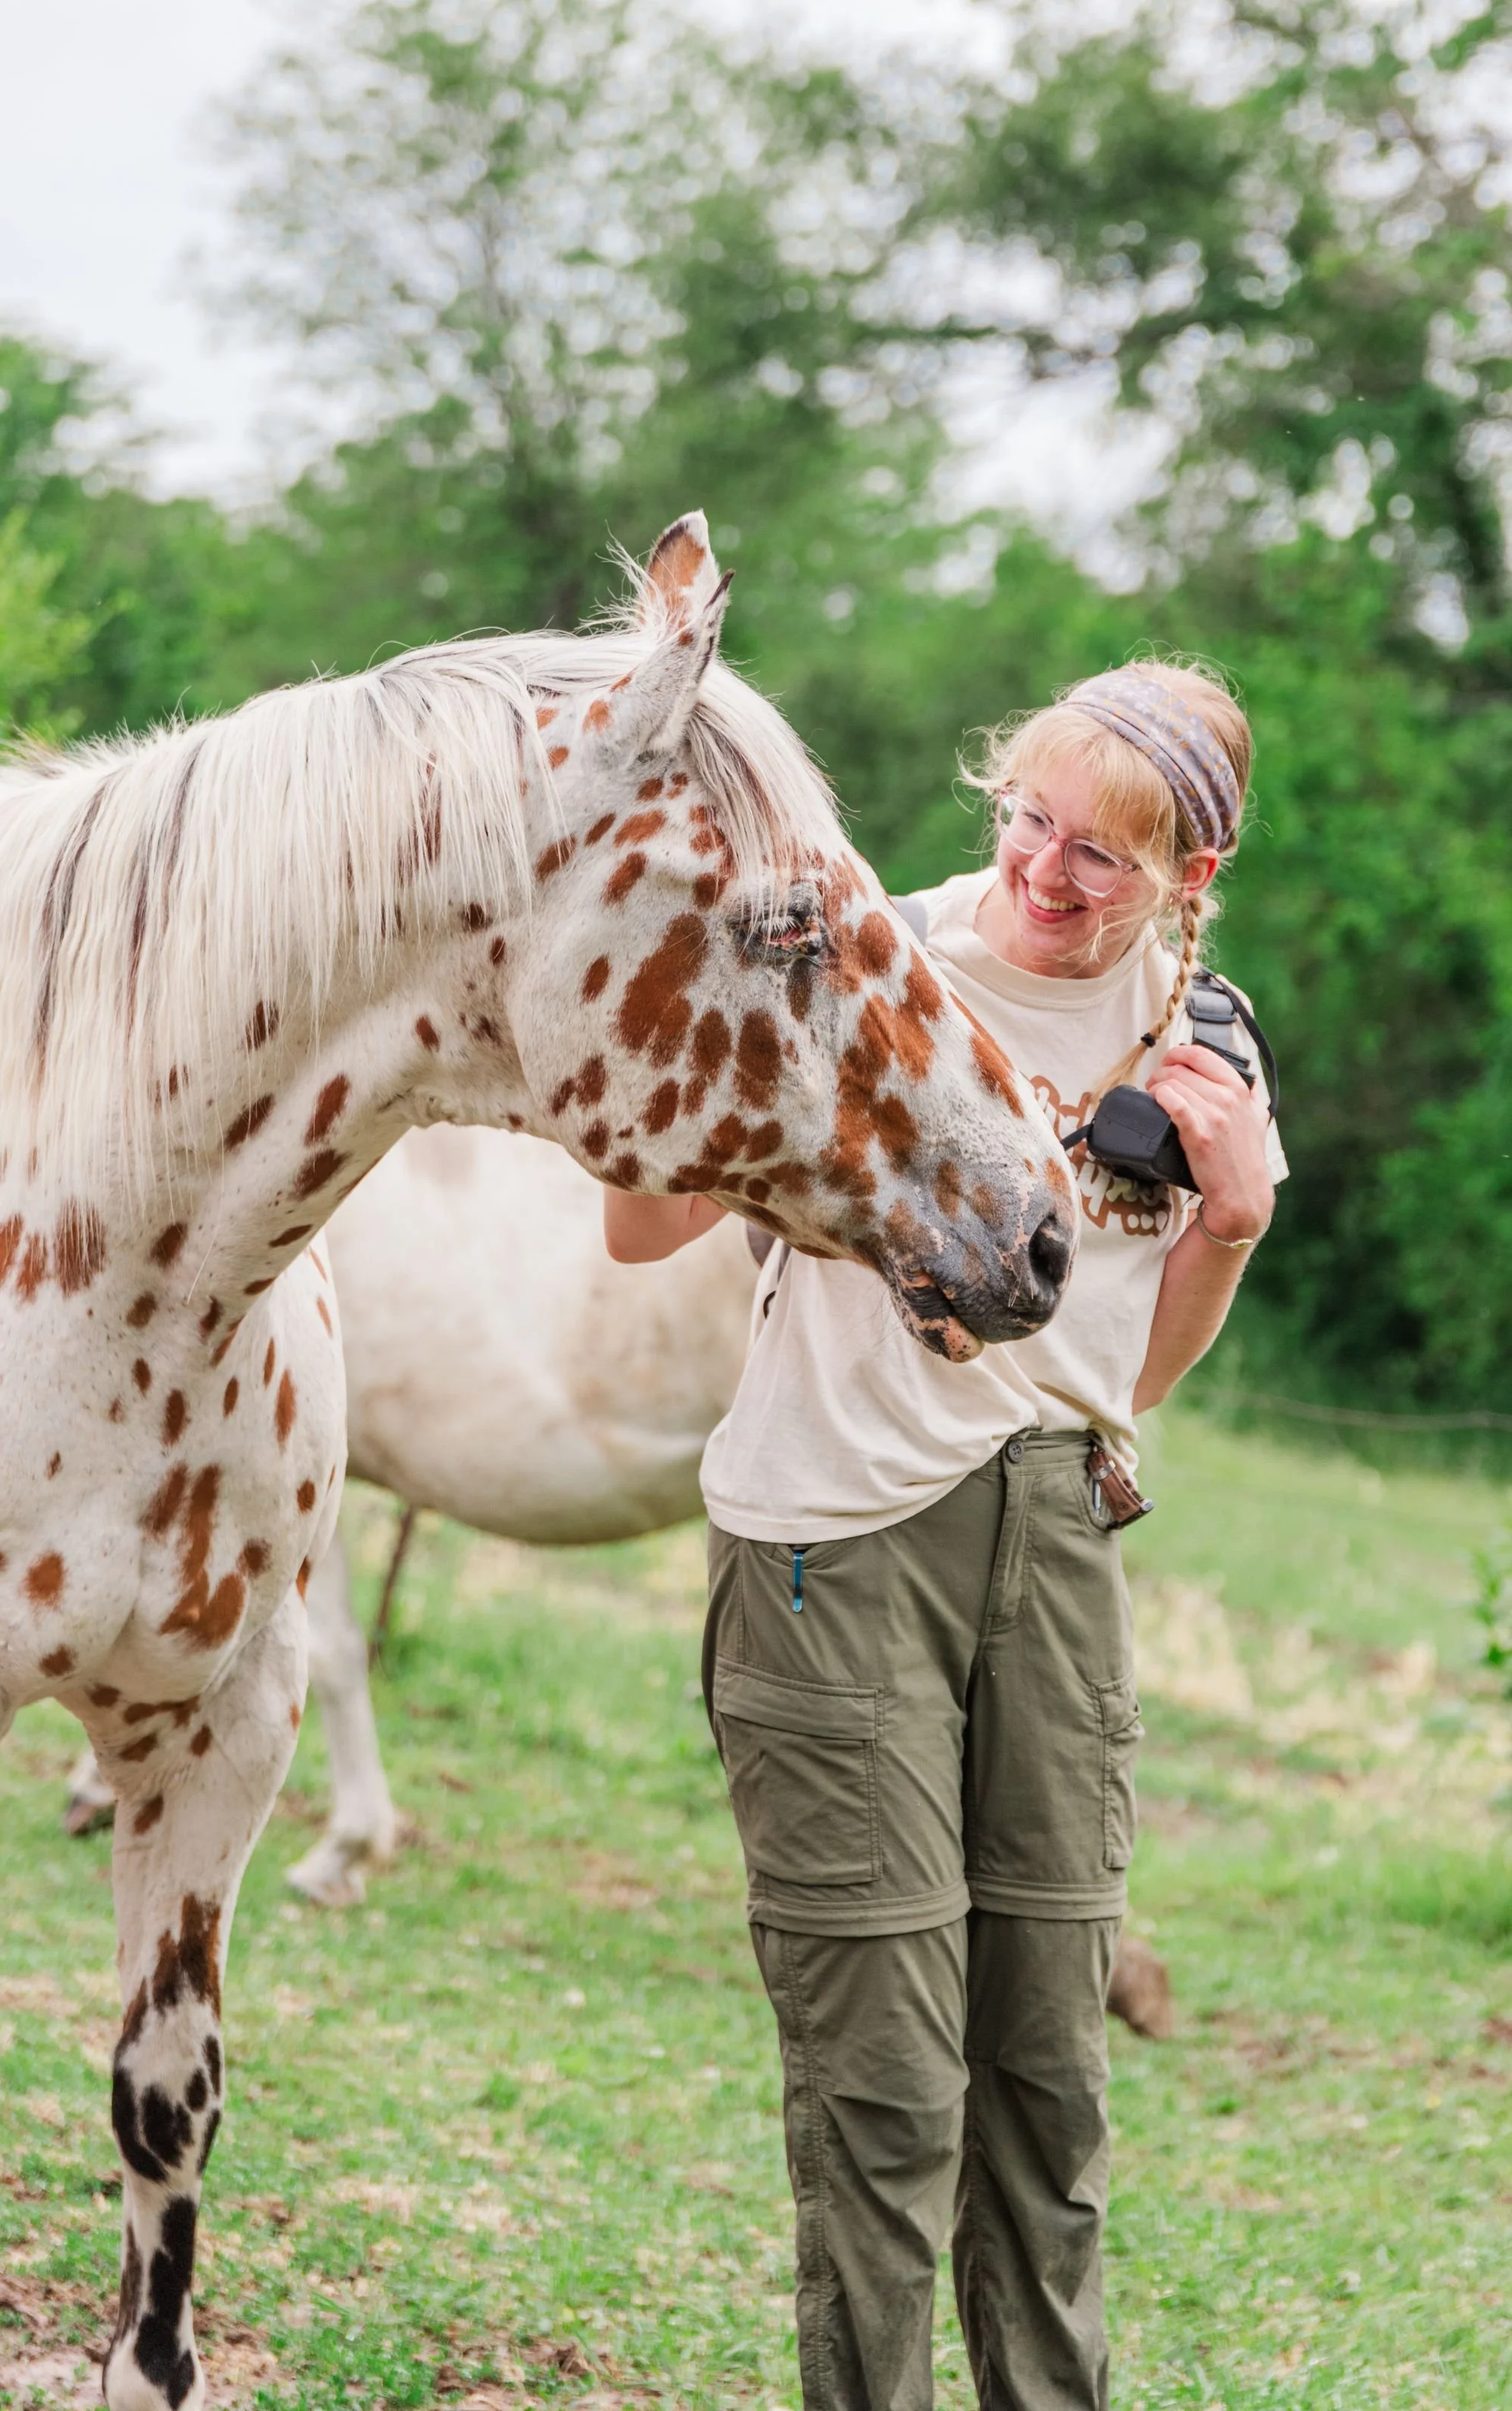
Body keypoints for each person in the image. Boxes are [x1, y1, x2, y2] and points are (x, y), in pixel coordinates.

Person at [603, 662, 1286, 2410]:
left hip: (1056, 1541)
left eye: (1103, 859)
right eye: (1027, 822)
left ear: (1185, 879)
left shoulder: (1198, 1034)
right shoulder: (864, 965)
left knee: (1046, 2074)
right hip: (831, 1544)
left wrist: (1232, 1213)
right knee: (887, 2088)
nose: (1046, 874)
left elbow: (1120, 1366)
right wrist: (686, 1036)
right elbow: (636, 1225)